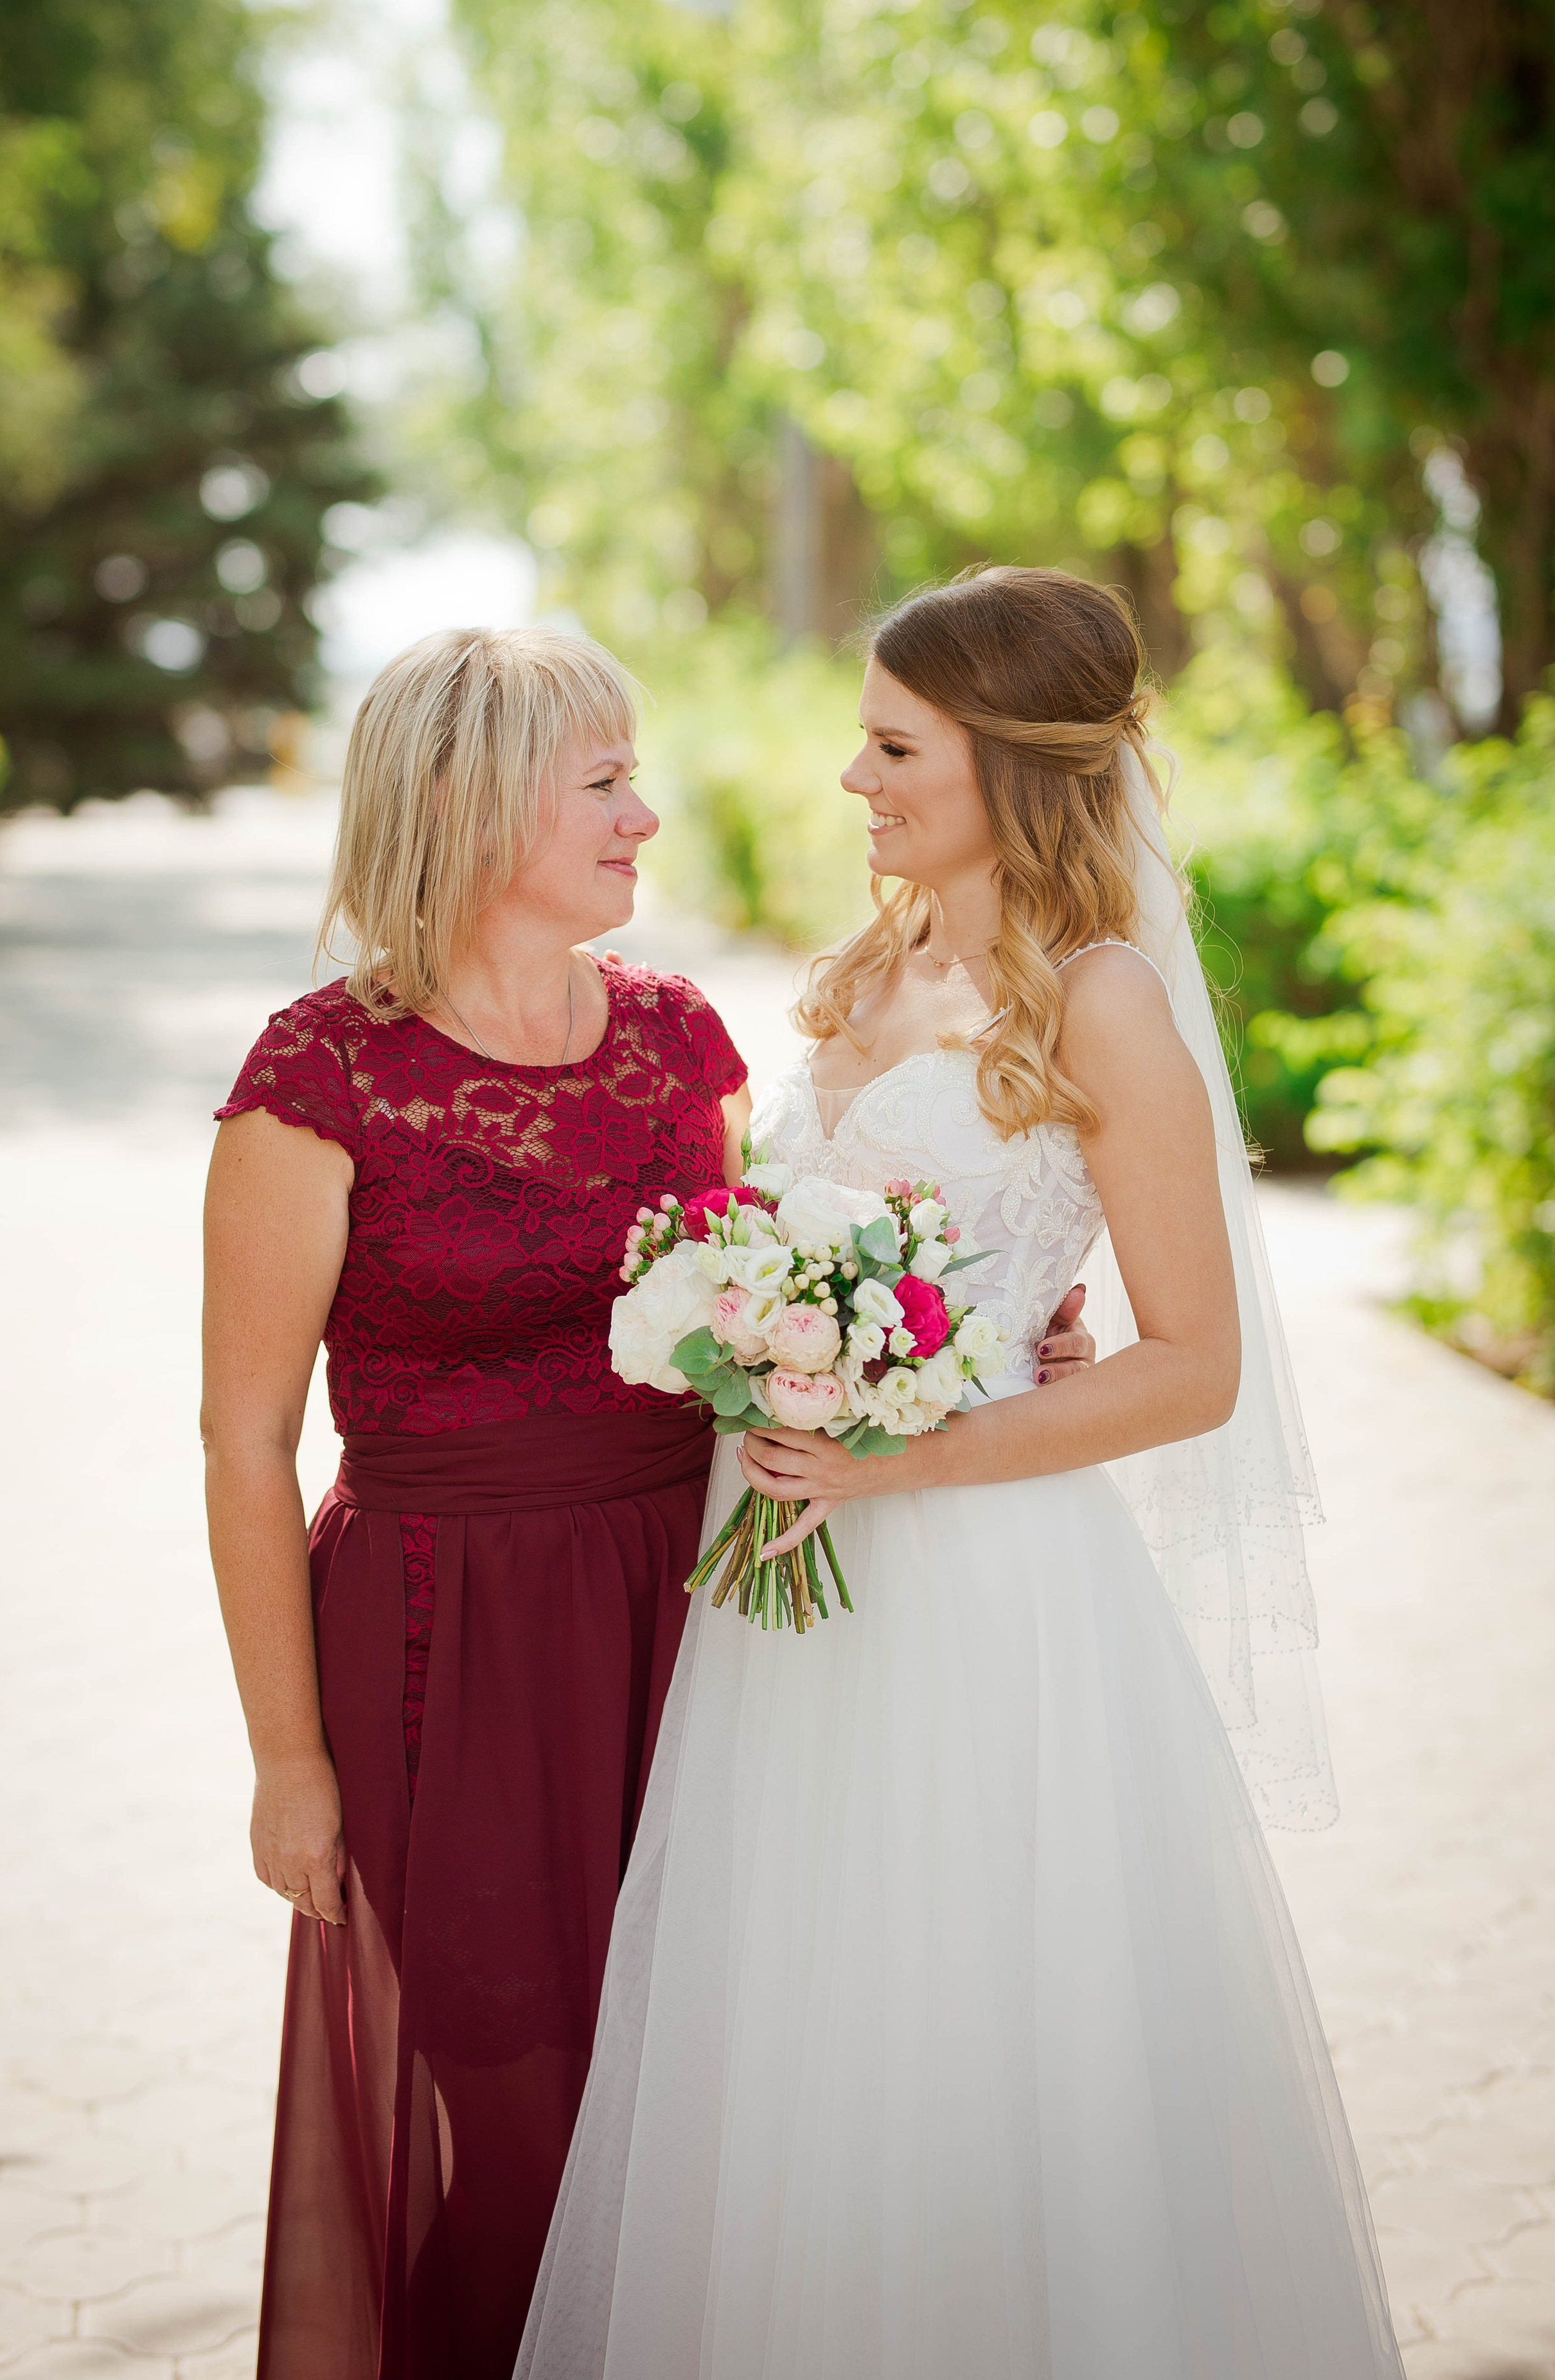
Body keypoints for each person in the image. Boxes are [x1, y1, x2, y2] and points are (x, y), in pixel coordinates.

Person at [515, 571, 1405, 2380]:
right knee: (803, 2040)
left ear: (1012, 763)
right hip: (789, 1592)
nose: (853, 777)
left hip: (989, 1602)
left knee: (977, 2024)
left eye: (893, 743)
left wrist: (908, 1442)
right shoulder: (873, 967)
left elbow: (1194, 1368)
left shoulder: (1104, 1003)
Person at [201, 622, 1098, 2377]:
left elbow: (774, 1301)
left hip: (703, 1624)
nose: (647, 816)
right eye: (604, 781)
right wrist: (287, 1758)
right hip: (439, 1649)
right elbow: (245, 1442)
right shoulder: (316, 1076)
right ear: (469, 805)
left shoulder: (681, 1044)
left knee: (692, 2114)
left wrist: (968, 1353)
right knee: (523, 2113)